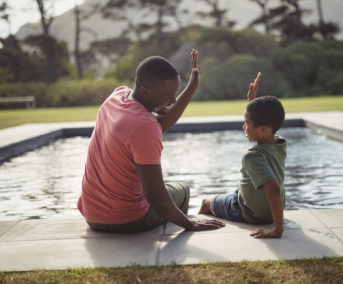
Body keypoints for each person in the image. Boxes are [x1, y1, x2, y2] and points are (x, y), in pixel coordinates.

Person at [77, 49, 225, 233]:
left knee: (164, 189)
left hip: (92, 215)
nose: (172, 101)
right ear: (145, 91)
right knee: (182, 189)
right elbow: (155, 196)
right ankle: (168, 237)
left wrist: (191, 89)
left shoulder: (117, 97)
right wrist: (189, 224)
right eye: (167, 96)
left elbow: (157, 124)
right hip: (126, 220)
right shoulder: (144, 127)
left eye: (175, 94)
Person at [199, 72, 287, 238]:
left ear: (263, 129)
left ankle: (199, 232)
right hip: (274, 210)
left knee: (205, 202)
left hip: (249, 212)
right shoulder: (279, 143)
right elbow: (265, 124)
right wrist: (252, 102)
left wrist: (278, 230)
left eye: (247, 123)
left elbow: (274, 189)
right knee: (238, 189)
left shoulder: (252, 156)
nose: (243, 127)